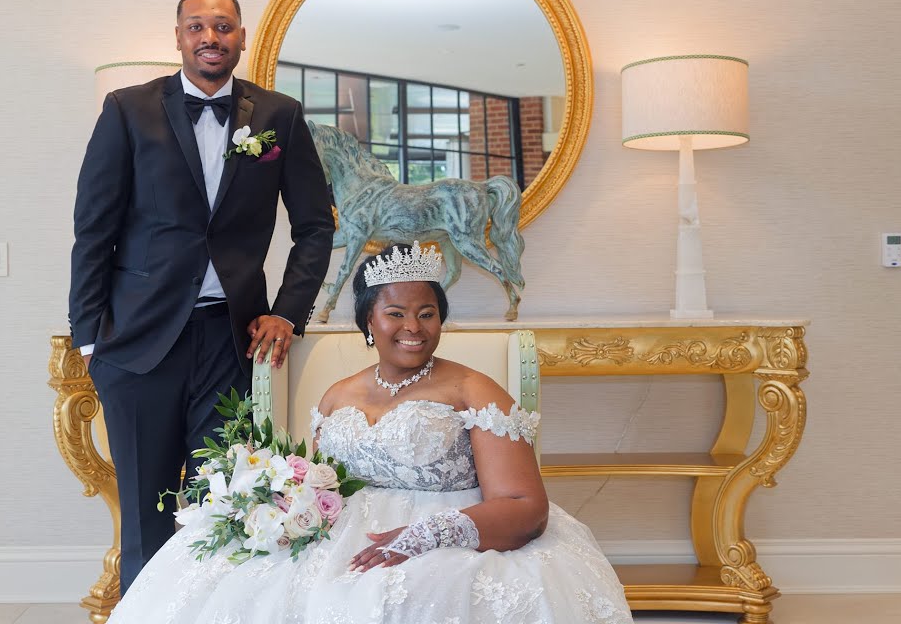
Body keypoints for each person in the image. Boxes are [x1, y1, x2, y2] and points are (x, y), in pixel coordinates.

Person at [106, 242, 633, 623]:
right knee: (224, 580)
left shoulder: (475, 390)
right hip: (337, 532)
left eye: (428, 313)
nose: (414, 327)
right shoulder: (337, 395)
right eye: (396, 312)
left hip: (452, 532)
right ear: (367, 323)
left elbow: (524, 505)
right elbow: (312, 483)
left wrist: (425, 536)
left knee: (386, 600)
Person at [68, 0, 335, 594]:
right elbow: (93, 229)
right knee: (145, 516)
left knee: (231, 505)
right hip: (136, 344)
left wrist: (288, 313)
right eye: (197, 26)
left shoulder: (278, 116)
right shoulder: (127, 109)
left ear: (242, 36)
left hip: (232, 341)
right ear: (179, 36)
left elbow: (316, 227)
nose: (210, 37)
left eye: (223, 26)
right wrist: (90, 340)